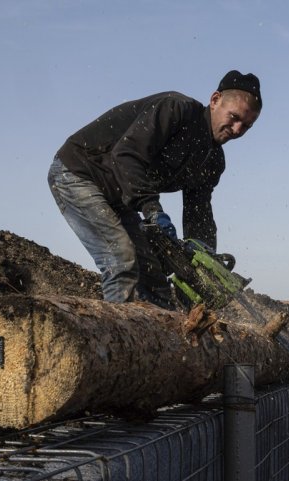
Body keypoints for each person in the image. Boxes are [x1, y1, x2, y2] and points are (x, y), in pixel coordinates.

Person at [48, 71, 262, 308]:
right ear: (215, 100)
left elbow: (198, 212)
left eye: (246, 126)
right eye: (234, 117)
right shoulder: (176, 109)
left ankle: (164, 341)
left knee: (155, 278)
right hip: (79, 173)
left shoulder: (213, 161)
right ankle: (120, 340)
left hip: (119, 198)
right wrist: (152, 210)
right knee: (120, 260)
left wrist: (202, 260)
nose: (237, 129)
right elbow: (127, 155)